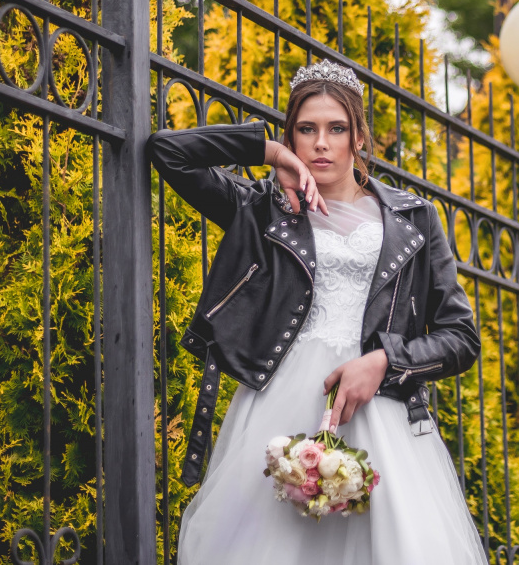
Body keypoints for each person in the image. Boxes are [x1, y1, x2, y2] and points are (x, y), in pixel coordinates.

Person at [145, 60, 488, 564]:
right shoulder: (260, 208)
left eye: (337, 129)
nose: (321, 143)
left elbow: (461, 337)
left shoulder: (414, 218)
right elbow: (168, 151)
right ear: (292, 137)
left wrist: (385, 362)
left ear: (359, 137)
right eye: (306, 130)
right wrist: (268, 152)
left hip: (383, 414)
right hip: (277, 409)